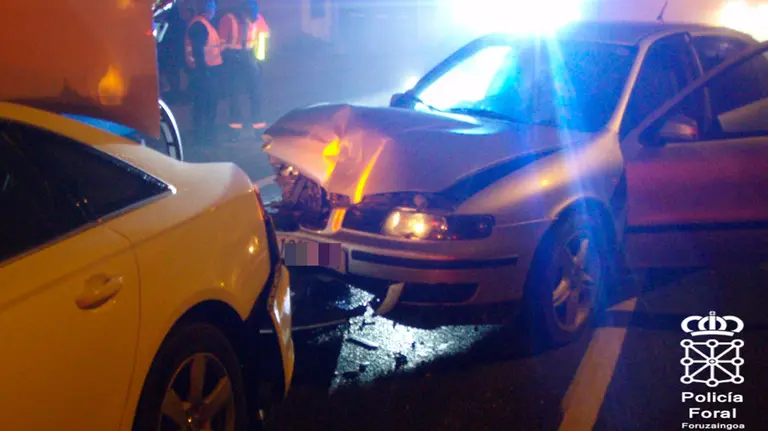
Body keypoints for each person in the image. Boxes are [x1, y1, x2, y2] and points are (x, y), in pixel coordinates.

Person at [217, 0, 266, 140]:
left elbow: (263, 40)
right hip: (233, 59)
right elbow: (221, 42)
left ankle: (258, 127)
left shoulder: (258, 19)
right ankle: (235, 129)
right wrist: (227, 57)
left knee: (256, 93)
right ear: (243, 11)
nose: (252, 18)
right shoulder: (229, 19)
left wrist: (259, 61)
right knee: (235, 94)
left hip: (250, 57)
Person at [185, 0, 222, 145]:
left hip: (205, 72)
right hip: (204, 73)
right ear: (208, 9)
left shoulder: (201, 23)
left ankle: (204, 135)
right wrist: (204, 70)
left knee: (206, 105)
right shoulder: (200, 25)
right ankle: (203, 137)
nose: (214, 9)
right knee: (204, 106)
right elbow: (198, 50)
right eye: (212, 7)